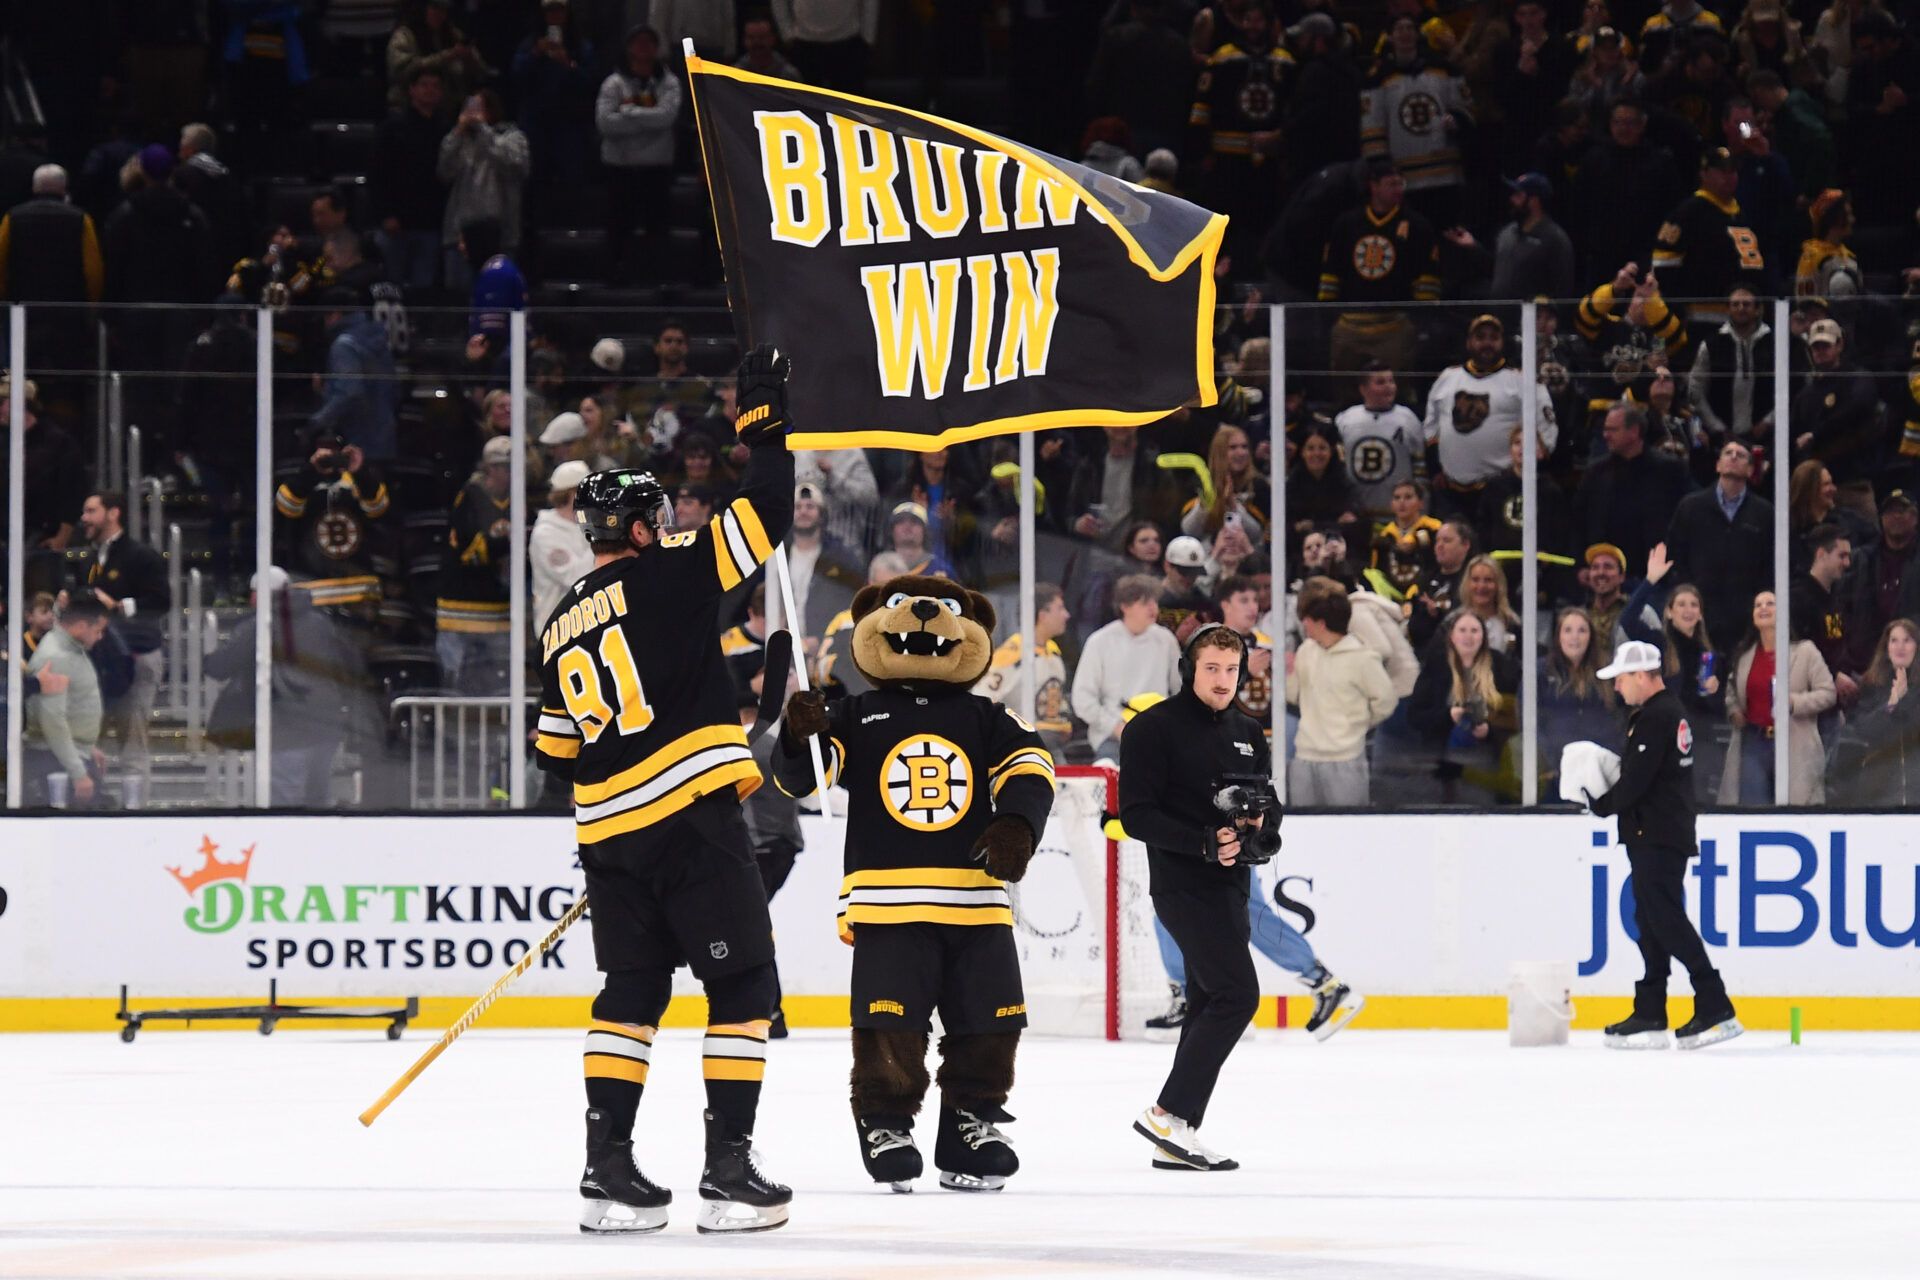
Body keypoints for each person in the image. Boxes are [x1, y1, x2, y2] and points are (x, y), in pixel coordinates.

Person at [532, 347, 795, 1235]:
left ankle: (608, 1173)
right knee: (746, 984)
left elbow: (554, 751)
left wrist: (620, 809)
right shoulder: (675, 568)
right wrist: (763, 421)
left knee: (631, 995)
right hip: (691, 821)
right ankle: (727, 1174)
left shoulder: (559, 622)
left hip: (609, 838)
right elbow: (764, 513)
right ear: (644, 528)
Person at [1120, 626, 1271, 1171]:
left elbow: (1267, 801)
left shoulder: (1249, 731)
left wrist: (1258, 823)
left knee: (1210, 1000)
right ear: (1189, 668)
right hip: (1183, 885)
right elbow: (1135, 815)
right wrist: (1203, 841)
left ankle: (1177, 1133)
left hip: (1233, 886)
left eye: (1232, 670)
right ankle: (1167, 1111)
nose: (1223, 680)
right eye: (1212, 668)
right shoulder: (1152, 729)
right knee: (1238, 995)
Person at [1587, 639, 1742, 1050]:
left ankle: (1714, 1001)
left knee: (1666, 919)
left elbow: (1636, 782)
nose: (1617, 688)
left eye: (1621, 679)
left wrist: (1599, 804)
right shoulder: (1664, 713)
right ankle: (1651, 1008)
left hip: (1657, 834)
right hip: (1657, 832)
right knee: (1651, 920)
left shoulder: (1657, 718)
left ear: (1641, 676)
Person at [1316, 160, 1440, 375]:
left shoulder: (1417, 226)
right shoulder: (1346, 224)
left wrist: (1420, 321)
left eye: (1401, 184)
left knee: (1396, 386)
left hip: (1395, 325)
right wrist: (1329, 314)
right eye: (1392, 184)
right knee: (1345, 385)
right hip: (1350, 324)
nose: (1398, 189)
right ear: (1374, 186)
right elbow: (1331, 273)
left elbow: (1427, 278)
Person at [1426, 314, 1558, 514]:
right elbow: (1431, 428)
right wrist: (1435, 469)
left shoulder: (1521, 380)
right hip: (1451, 491)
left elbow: (1546, 432)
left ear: (1502, 342)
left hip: (1502, 490)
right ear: (1469, 342)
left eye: (1493, 338)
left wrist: (1522, 473)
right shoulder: (1447, 378)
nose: (1487, 343)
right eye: (1480, 337)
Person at [77, 491, 169, 776]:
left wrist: (118, 606)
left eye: (91, 511)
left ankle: (135, 813)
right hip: (98, 662)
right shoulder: (90, 560)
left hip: (136, 658)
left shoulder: (141, 556)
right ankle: (92, 806)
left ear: (113, 513)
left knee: (132, 745)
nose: (84, 518)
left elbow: (161, 601)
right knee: (89, 744)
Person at [1719, 590, 1834, 804]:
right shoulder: (1745, 655)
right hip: (1755, 741)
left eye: (1770, 603)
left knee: (1795, 809)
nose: (1763, 608)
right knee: (1753, 810)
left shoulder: (1805, 651)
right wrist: (1734, 710)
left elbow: (1828, 693)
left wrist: (1794, 702)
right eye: (1758, 605)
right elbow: (1732, 690)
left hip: (1794, 740)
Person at [1288, 587, 1395, 804]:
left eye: (1307, 619)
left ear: (1321, 623)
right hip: (1304, 757)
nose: (1303, 624)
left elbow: (1386, 700)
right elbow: (1293, 696)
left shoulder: (1362, 658)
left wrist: (1357, 724)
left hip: (1345, 760)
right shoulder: (1306, 651)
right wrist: (1287, 673)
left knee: (1349, 830)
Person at [1406, 608, 1520, 803]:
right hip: (1440, 762)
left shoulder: (1502, 667)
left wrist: (1489, 731)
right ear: (1451, 635)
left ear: (1483, 636)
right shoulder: (1436, 665)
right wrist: (1448, 716)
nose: (1468, 636)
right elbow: (1415, 717)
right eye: (1463, 630)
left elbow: (1518, 716)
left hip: (1486, 762)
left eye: (1474, 631)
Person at [1071, 574, 1183, 762]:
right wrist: (1116, 727)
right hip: (1113, 738)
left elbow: (1181, 690)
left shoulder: (1166, 641)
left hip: (1159, 735)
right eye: (1145, 603)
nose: (1153, 608)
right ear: (1125, 606)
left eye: (1154, 601)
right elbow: (1082, 699)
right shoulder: (1100, 642)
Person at [597, 26, 681, 279]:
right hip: (621, 169)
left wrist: (629, 111)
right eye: (638, 42)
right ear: (629, 48)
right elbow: (605, 123)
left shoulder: (670, 83)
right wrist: (647, 120)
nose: (643, 47)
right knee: (619, 229)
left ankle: (657, 278)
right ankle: (616, 277)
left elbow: (666, 118)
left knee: (657, 230)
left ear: (657, 49)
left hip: (656, 168)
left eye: (649, 43)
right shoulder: (613, 84)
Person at [1572, 402, 1691, 579]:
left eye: (1612, 430)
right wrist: (1581, 565)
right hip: (1605, 576)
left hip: (1655, 577)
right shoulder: (1595, 473)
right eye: (1605, 429)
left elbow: (1683, 522)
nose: (1605, 435)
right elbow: (1578, 523)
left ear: (1634, 431)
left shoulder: (1669, 471)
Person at [1792, 318, 1883, 521]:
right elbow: (1792, 433)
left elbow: (1859, 406)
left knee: (1867, 542)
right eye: (1816, 346)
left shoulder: (1859, 379)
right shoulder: (1805, 395)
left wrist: (1816, 435)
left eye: (1826, 345)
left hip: (1853, 485)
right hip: (1815, 491)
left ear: (1840, 344)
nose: (1820, 351)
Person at [373, 64, 453, 290]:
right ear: (412, 90)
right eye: (424, 85)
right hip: (396, 223)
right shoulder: (392, 128)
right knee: (392, 288)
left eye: (436, 86)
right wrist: (386, 214)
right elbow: (378, 174)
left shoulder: (447, 130)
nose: (430, 90)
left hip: (430, 223)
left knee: (423, 289)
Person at [23, 596, 108, 807]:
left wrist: (87, 747)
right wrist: (78, 772)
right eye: (97, 630)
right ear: (80, 627)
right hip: (57, 763)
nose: (100, 637)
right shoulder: (58, 657)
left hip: (69, 755)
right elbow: (52, 722)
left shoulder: (70, 649)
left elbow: (72, 707)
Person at [1443, 172, 1577, 302]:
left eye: (1518, 195)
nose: (1512, 199)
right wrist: (1473, 247)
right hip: (1500, 318)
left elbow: (1563, 292)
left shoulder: (1554, 238)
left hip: (1531, 320)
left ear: (1534, 201)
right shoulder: (1506, 233)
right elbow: (1497, 271)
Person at [973, 583, 1074, 754]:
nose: (1067, 615)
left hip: (1055, 744)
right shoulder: (1012, 654)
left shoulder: (1053, 651)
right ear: (1043, 615)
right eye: (1060, 608)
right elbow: (981, 700)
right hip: (1025, 746)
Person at [1833, 619, 1920, 806]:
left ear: (1916, 646)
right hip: (1880, 791)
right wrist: (1892, 704)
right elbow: (1863, 730)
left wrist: (1904, 701)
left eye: (1907, 640)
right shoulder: (1871, 685)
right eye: (1894, 641)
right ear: (1886, 648)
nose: (1900, 647)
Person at [1537, 606, 1621, 792]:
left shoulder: (1607, 671)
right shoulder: (1541, 672)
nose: (1575, 637)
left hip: (1603, 767)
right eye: (1568, 630)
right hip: (1555, 770)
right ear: (1558, 636)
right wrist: (1550, 762)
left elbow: (1619, 719)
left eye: (1582, 630)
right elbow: (1530, 721)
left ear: (1591, 635)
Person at [1685, 289, 1779, 446]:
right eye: (1735, 304)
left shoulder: (1775, 343)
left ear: (1758, 309)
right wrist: (1717, 427)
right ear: (1727, 309)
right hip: (1721, 436)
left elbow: (1791, 389)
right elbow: (1695, 390)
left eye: (1747, 304)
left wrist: (1769, 421)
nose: (1741, 308)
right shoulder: (1711, 344)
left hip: (1768, 435)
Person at [1336, 362, 1427, 520]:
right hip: (1356, 515)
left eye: (1391, 381)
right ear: (1363, 389)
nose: (1388, 387)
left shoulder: (1408, 419)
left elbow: (1420, 469)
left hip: (1398, 516)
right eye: (1380, 382)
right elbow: (1338, 469)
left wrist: (1422, 509)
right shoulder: (1345, 420)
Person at [1792, 523, 1858, 706]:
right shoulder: (1797, 599)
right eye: (1842, 556)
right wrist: (1833, 675)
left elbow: (1836, 643)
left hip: (1832, 703)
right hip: (1807, 702)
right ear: (1821, 554)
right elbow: (1797, 653)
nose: (1847, 563)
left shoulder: (1836, 597)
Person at [530, 459, 595, 636]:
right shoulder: (545, 534)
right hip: (558, 632)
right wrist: (603, 538)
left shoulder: (588, 525)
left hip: (591, 627)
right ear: (573, 493)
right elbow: (577, 578)